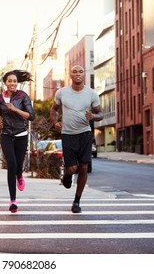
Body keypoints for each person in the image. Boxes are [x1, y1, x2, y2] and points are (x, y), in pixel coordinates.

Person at [50, 65, 103, 213]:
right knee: (72, 168)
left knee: (84, 167)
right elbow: (54, 109)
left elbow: (101, 114)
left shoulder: (92, 94)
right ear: (70, 75)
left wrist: (93, 116)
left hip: (85, 133)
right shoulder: (62, 93)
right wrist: (56, 123)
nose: (78, 74)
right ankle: (67, 175)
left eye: (80, 71)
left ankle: (77, 201)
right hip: (68, 134)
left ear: (84, 75)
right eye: (75, 72)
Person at [0, 70, 35, 213]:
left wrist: (15, 109)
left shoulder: (23, 96)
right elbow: (0, 115)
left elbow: (31, 116)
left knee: (18, 166)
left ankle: (20, 175)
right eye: (9, 81)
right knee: (11, 164)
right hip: (6, 134)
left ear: (17, 82)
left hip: (21, 134)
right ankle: (13, 201)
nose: (12, 83)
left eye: (14, 81)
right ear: (5, 83)